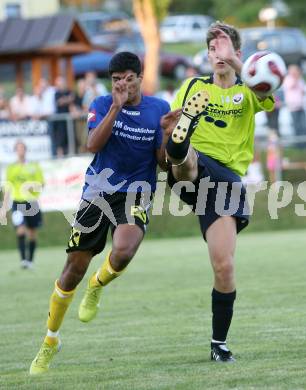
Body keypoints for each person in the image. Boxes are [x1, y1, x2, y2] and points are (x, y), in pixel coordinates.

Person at [29, 52, 180, 374]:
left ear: (140, 78)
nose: (122, 84)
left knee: (124, 250)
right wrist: (116, 106)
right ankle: (50, 340)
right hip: (98, 192)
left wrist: (167, 135)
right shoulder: (100, 103)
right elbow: (92, 145)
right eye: (116, 79)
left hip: (137, 191)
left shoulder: (158, 109)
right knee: (72, 269)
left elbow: (163, 164)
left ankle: (97, 285)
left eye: (128, 78)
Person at [165, 22, 275, 362]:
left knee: (224, 266)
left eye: (224, 47)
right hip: (195, 168)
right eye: (213, 48)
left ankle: (218, 344)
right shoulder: (194, 86)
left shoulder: (248, 88)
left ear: (238, 54)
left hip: (225, 185)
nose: (218, 53)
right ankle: (183, 149)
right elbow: (166, 123)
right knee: (186, 158)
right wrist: (175, 126)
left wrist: (239, 63)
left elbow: (269, 92)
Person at [0, 140, 44, 269]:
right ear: (15, 151)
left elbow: (42, 184)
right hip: (18, 203)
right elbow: (8, 188)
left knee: (32, 233)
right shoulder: (11, 168)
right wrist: (3, 207)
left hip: (32, 203)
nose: (20, 151)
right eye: (18, 148)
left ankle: (30, 260)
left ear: (25, 150)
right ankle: (23, 260)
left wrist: (33, 186)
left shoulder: (34, 166)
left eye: (22, 148)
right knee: (20, 230)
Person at [282, 64, 306, 148]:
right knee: (297, 127)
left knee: (303, 126)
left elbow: (303, 91)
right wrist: (296, 78)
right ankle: (298, 146)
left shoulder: (300, 80)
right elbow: (290, 86)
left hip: (300, 106)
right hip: (293, 108)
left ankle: (303, 145)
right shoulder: (288, 79)